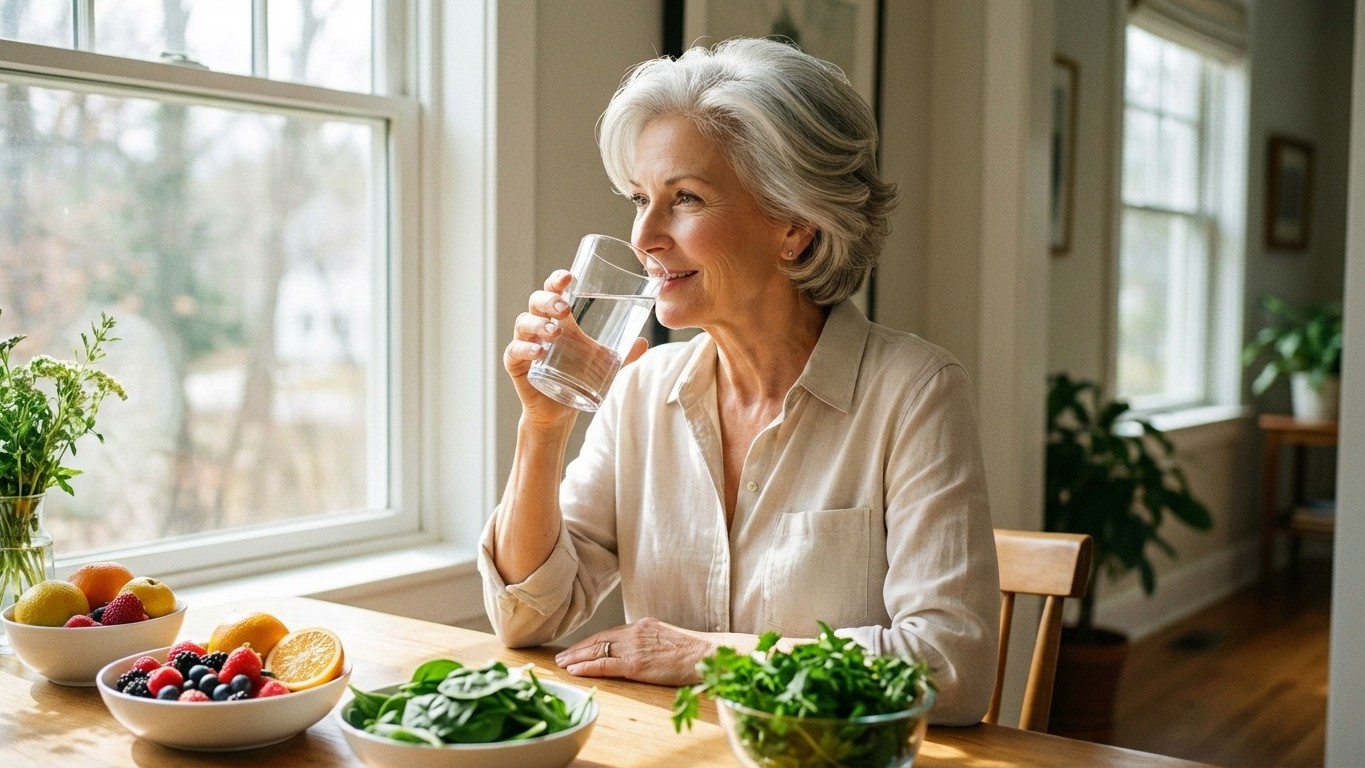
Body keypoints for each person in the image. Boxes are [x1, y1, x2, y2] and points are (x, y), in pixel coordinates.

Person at [478, 37, 1000, 725]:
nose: (644, 237)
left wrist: (704, 657)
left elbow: (950, 668)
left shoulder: (913, 391)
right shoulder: (638, 390)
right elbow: (526, 617)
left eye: (684, 198)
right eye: (639, 198)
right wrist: (541, 429)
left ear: (795, 227)